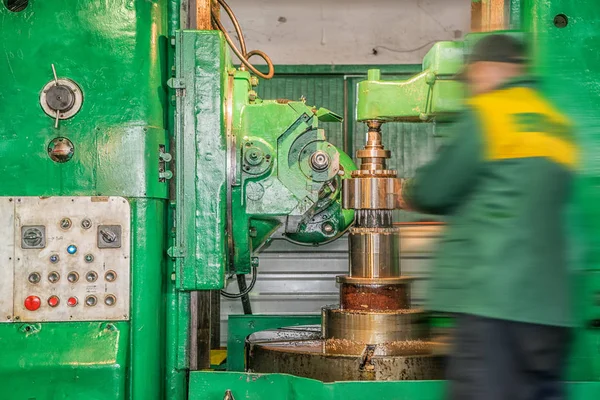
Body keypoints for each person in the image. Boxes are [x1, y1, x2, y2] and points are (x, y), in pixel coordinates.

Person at [400, 34, 578, 400]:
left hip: (494, 306)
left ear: (489, 70)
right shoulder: (559, 125)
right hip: (552, 314)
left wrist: (406, 191)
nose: (473, 87)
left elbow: (435, 190)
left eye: (474, 77)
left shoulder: (490, 114)